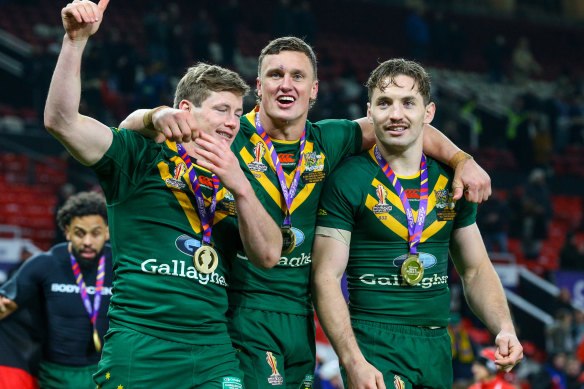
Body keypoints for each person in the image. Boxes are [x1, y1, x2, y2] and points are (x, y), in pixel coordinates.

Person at [121, 36, 492, 389]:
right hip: (242, 309)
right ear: (259, 86)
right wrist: (153, 114)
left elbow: (402, 128)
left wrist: (463, 159)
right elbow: (133, 133)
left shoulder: (327, 140)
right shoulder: (229, 133)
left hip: (299, 317)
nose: (286, 85)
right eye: (275, 75)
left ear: (314, 89)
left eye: (298, 76)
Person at [43, 1, 282, 388]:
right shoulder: (139, 157)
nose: (232, 122)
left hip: (213, 351)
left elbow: (270, 255)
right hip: (141, 346)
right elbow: (61, 122)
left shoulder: (241, 179)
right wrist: (74, 42)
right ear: (186, 109)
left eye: (238, 113)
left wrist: (240, 186)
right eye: (222, 109)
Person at [311, 58, 523, 389]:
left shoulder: (453, 183)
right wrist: (353, 361)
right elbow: (326, 276)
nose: (396, 114)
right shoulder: (347, 180)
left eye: (408, 102)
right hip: (375, 343)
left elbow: (476, 269)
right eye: (384, 103)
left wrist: (504, 328)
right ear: (370, 112)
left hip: (438, 346)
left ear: (429, 113)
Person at [0, 191, 112, 389]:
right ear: (67, 231)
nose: (87, 241)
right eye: (79, 233)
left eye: (95, 233)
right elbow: (5, 305)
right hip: (55, 376)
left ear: (107, 231)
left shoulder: (121, 266)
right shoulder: (44, 263)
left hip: (106, 373)